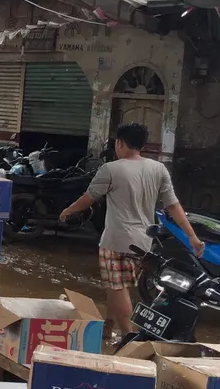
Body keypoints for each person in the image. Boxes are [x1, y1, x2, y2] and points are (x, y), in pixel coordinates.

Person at [58, 122, 204, 337]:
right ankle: (108, 327)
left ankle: (129, 337)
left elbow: (88, 198)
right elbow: (173, 205)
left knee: (118, 288)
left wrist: (67, 211)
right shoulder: (158, 169)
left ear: (120, 143)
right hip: (144, 242)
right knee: (117, 284)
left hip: (115, 241)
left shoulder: (110, 169)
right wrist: (192, 236)